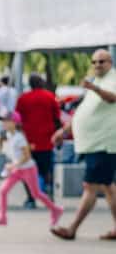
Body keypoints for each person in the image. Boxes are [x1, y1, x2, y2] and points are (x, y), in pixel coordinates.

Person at [51, 48, 116, 240]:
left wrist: (94, 88)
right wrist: (63, 131)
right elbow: (83, 112)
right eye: (94, 62)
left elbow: (112, 98)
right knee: (108, 187)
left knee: (91, 186)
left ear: (110, 63)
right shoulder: (98, 82)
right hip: (94, 144)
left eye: (101, 61)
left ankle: (72, 229)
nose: (97, 65)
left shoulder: (111, 80)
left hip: (103, 143)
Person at [0, 112, 63, 226]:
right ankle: (2, 217)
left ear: (14, 123)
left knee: (36, 194)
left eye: (6, 121)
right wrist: (12, 165)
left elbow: (27, 156)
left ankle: (56, 209)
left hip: (28, 169)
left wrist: (13, 165)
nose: (3, 123)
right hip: (18, 169)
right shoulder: (10, 135)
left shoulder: (19, 138)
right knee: (3, 191)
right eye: (3, 121)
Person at [15, 73, 62, 200]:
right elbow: (57, 119)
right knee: (47, 169)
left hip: (28, 142)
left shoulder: (23, 98)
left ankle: (30, 198)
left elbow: (17, 121)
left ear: (30, 84)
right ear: (41, 82)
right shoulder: (50, 97)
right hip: (47, 140)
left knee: (26, 169)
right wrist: (59, 137)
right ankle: (49, 192)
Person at [0, 74, 18, 153]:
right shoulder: (14, 90)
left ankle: (0, 152)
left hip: (2, 115)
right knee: (12, 134)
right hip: (13, 115)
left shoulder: (1, 90)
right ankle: (12, 152)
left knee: (1, 135)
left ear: (1, 82)